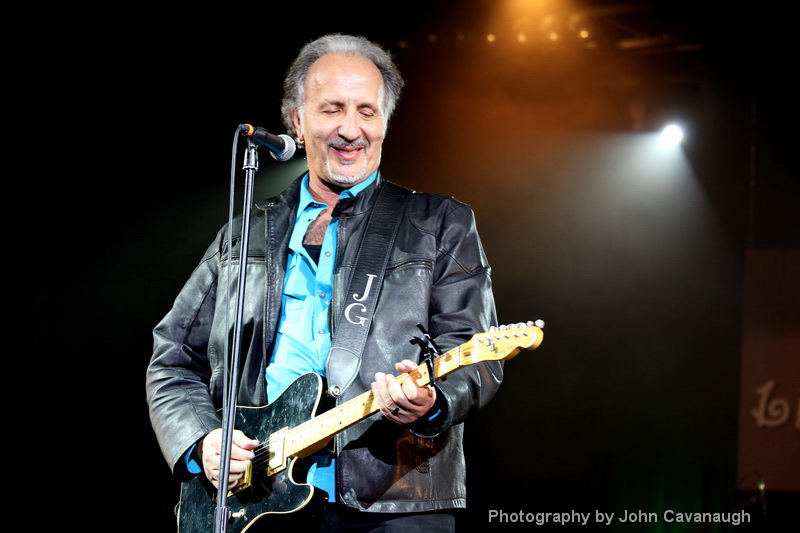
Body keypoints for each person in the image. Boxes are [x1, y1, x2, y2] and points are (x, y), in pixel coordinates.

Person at [146, 33, 502, 532]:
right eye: (332, 109)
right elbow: (173, 357)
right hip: (255, 502)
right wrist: (202, 440)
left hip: (393, 503)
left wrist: (433, 402)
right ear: (297, 120)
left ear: (385, 122)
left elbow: (475, 352)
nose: (350, 129)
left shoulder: (439, 223)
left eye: (366, 111)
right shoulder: (245, 234)